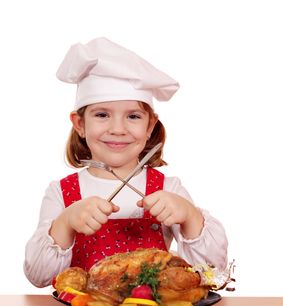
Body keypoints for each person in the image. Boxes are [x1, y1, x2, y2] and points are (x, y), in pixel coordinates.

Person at [24, 37, 228, 288]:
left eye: (133, 116)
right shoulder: (61, 193)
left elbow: (212, 273)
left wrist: (189, 217)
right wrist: (65, 223)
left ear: (150, 125)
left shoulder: (169, 188)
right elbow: (38, 278)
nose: (118, 129)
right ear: (80, 124)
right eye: (102, 115)